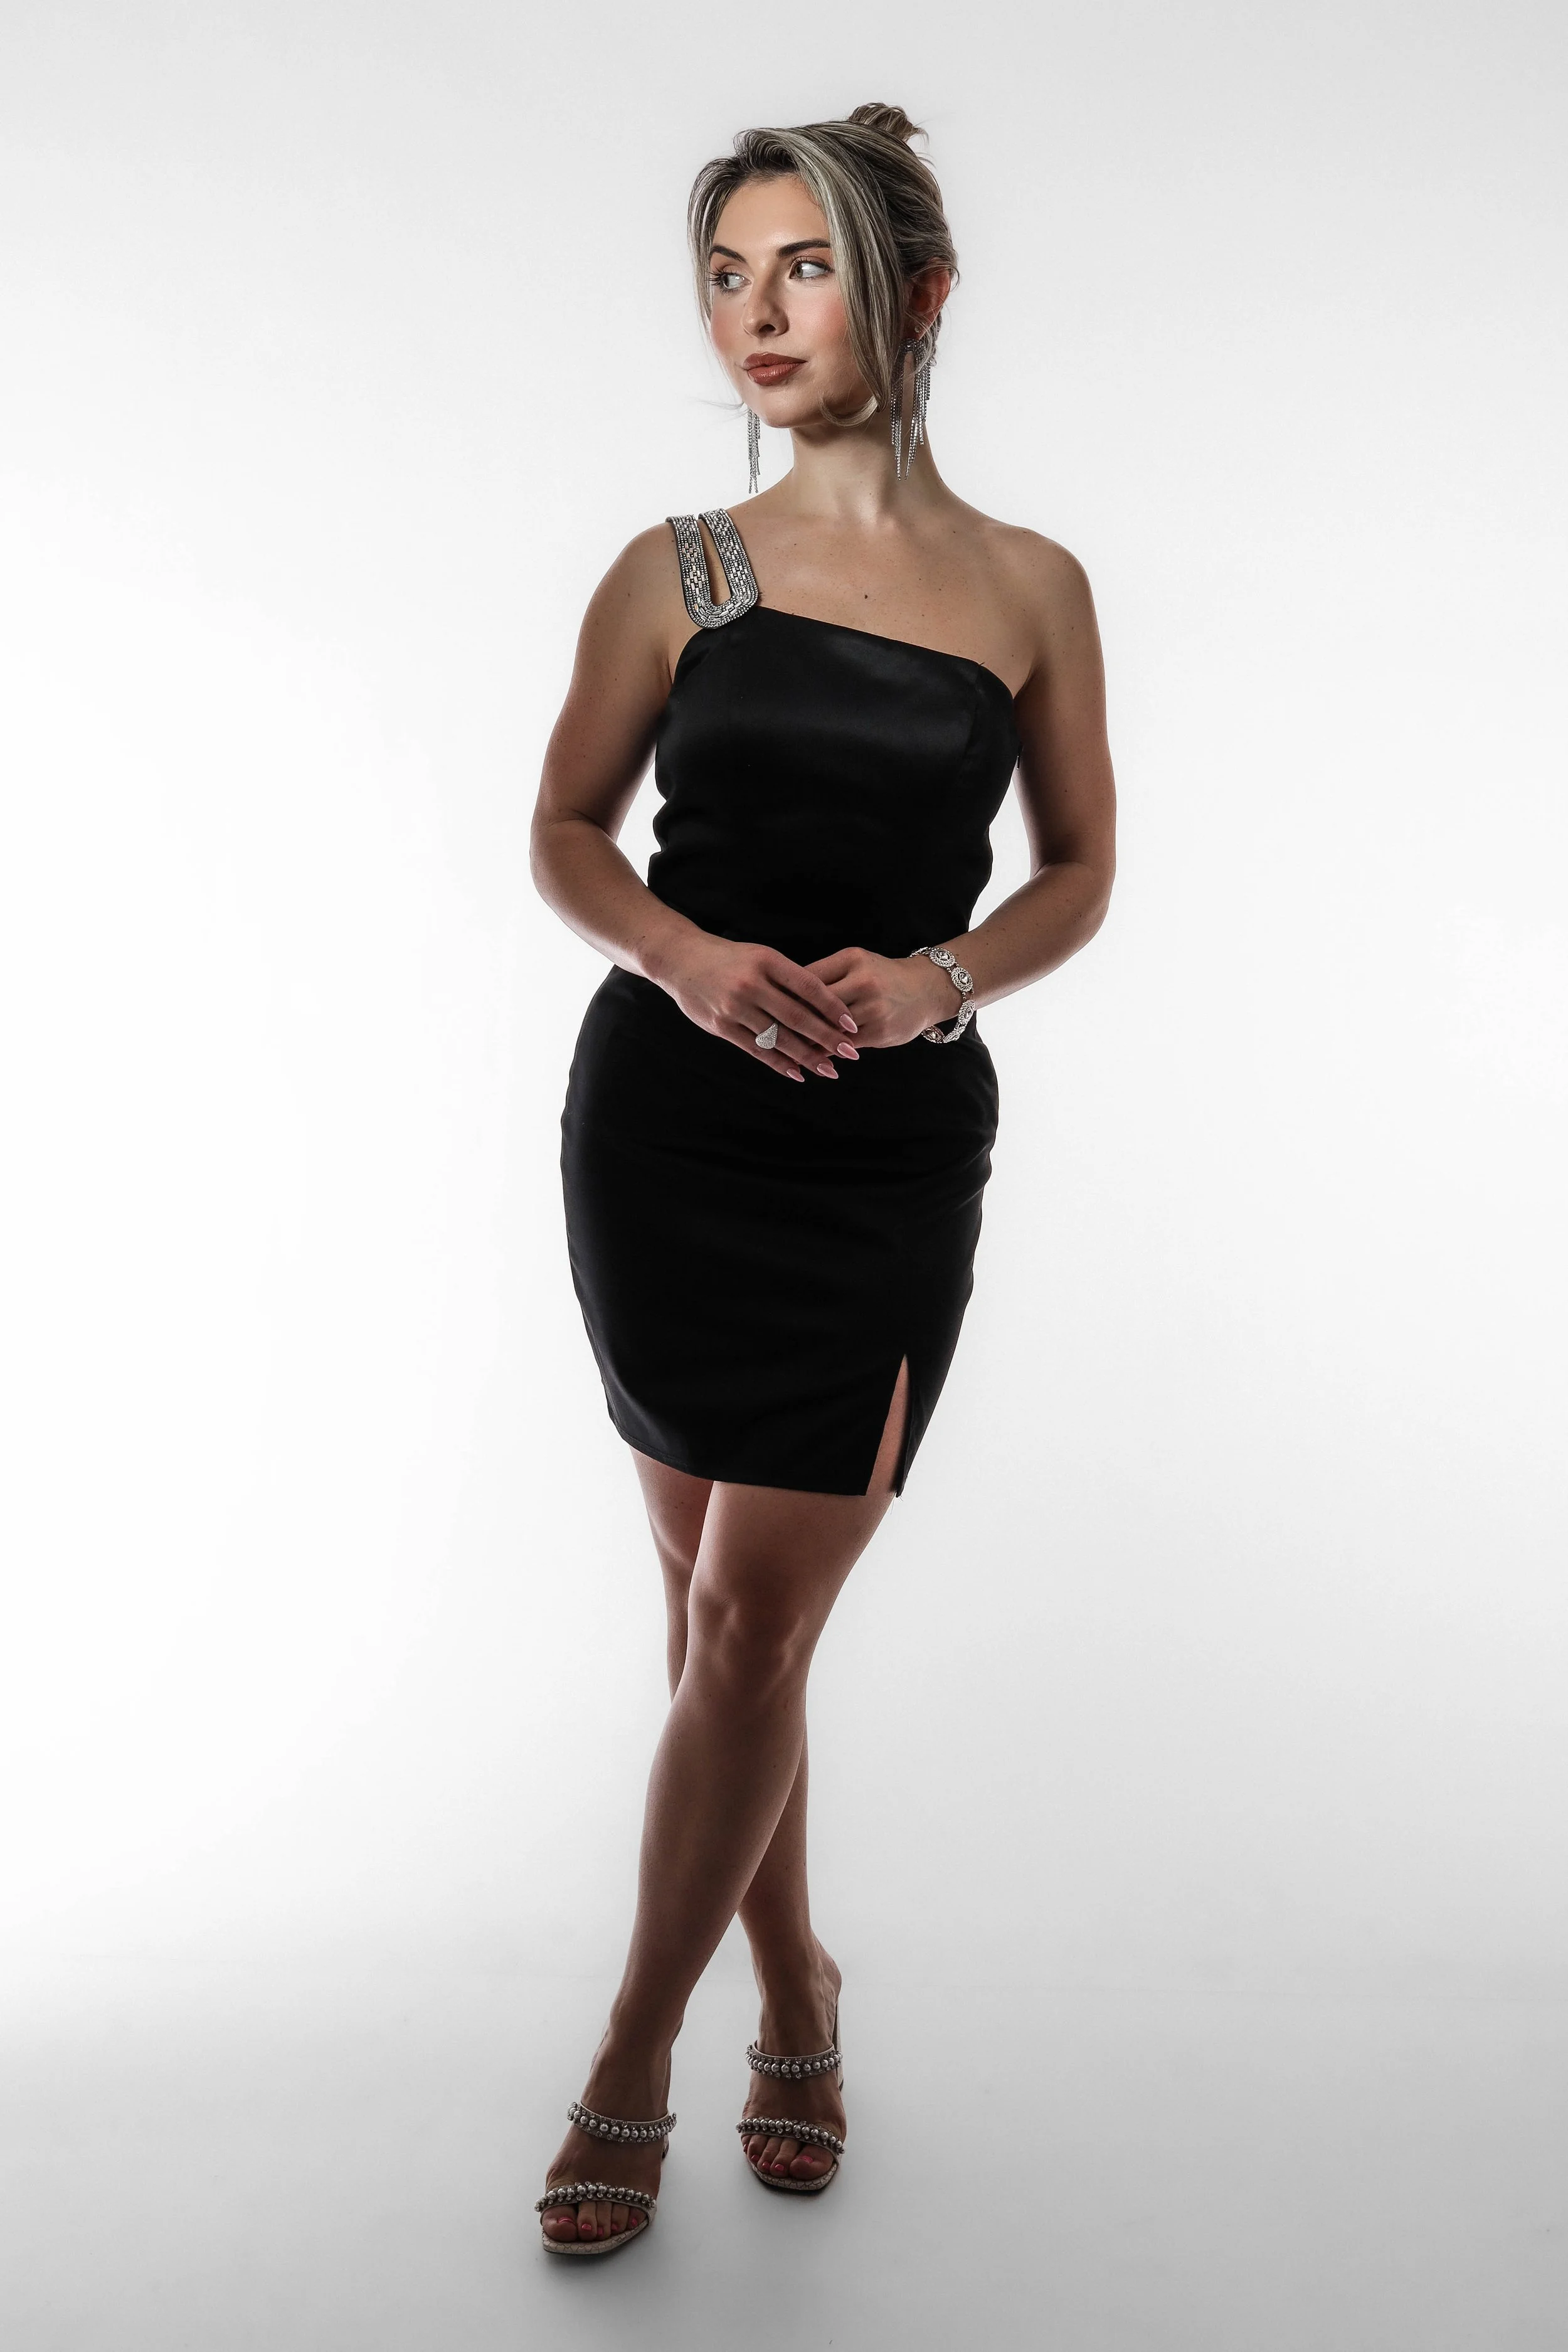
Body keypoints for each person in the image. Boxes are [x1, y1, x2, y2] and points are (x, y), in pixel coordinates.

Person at [529, 102, 1116, 2256]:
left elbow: (1077, 879)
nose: (754, 316)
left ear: (917, 293)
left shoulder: (1028, 586)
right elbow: (569, 836)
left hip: (882, 1155)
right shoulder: (680, 566)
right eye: (725, 275)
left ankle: (623, 2066)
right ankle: (791, 1984)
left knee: (747, 1628)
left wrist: (942, 978)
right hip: (665, 1137)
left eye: (801, 268)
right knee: (718, 1635)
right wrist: (682, 959)